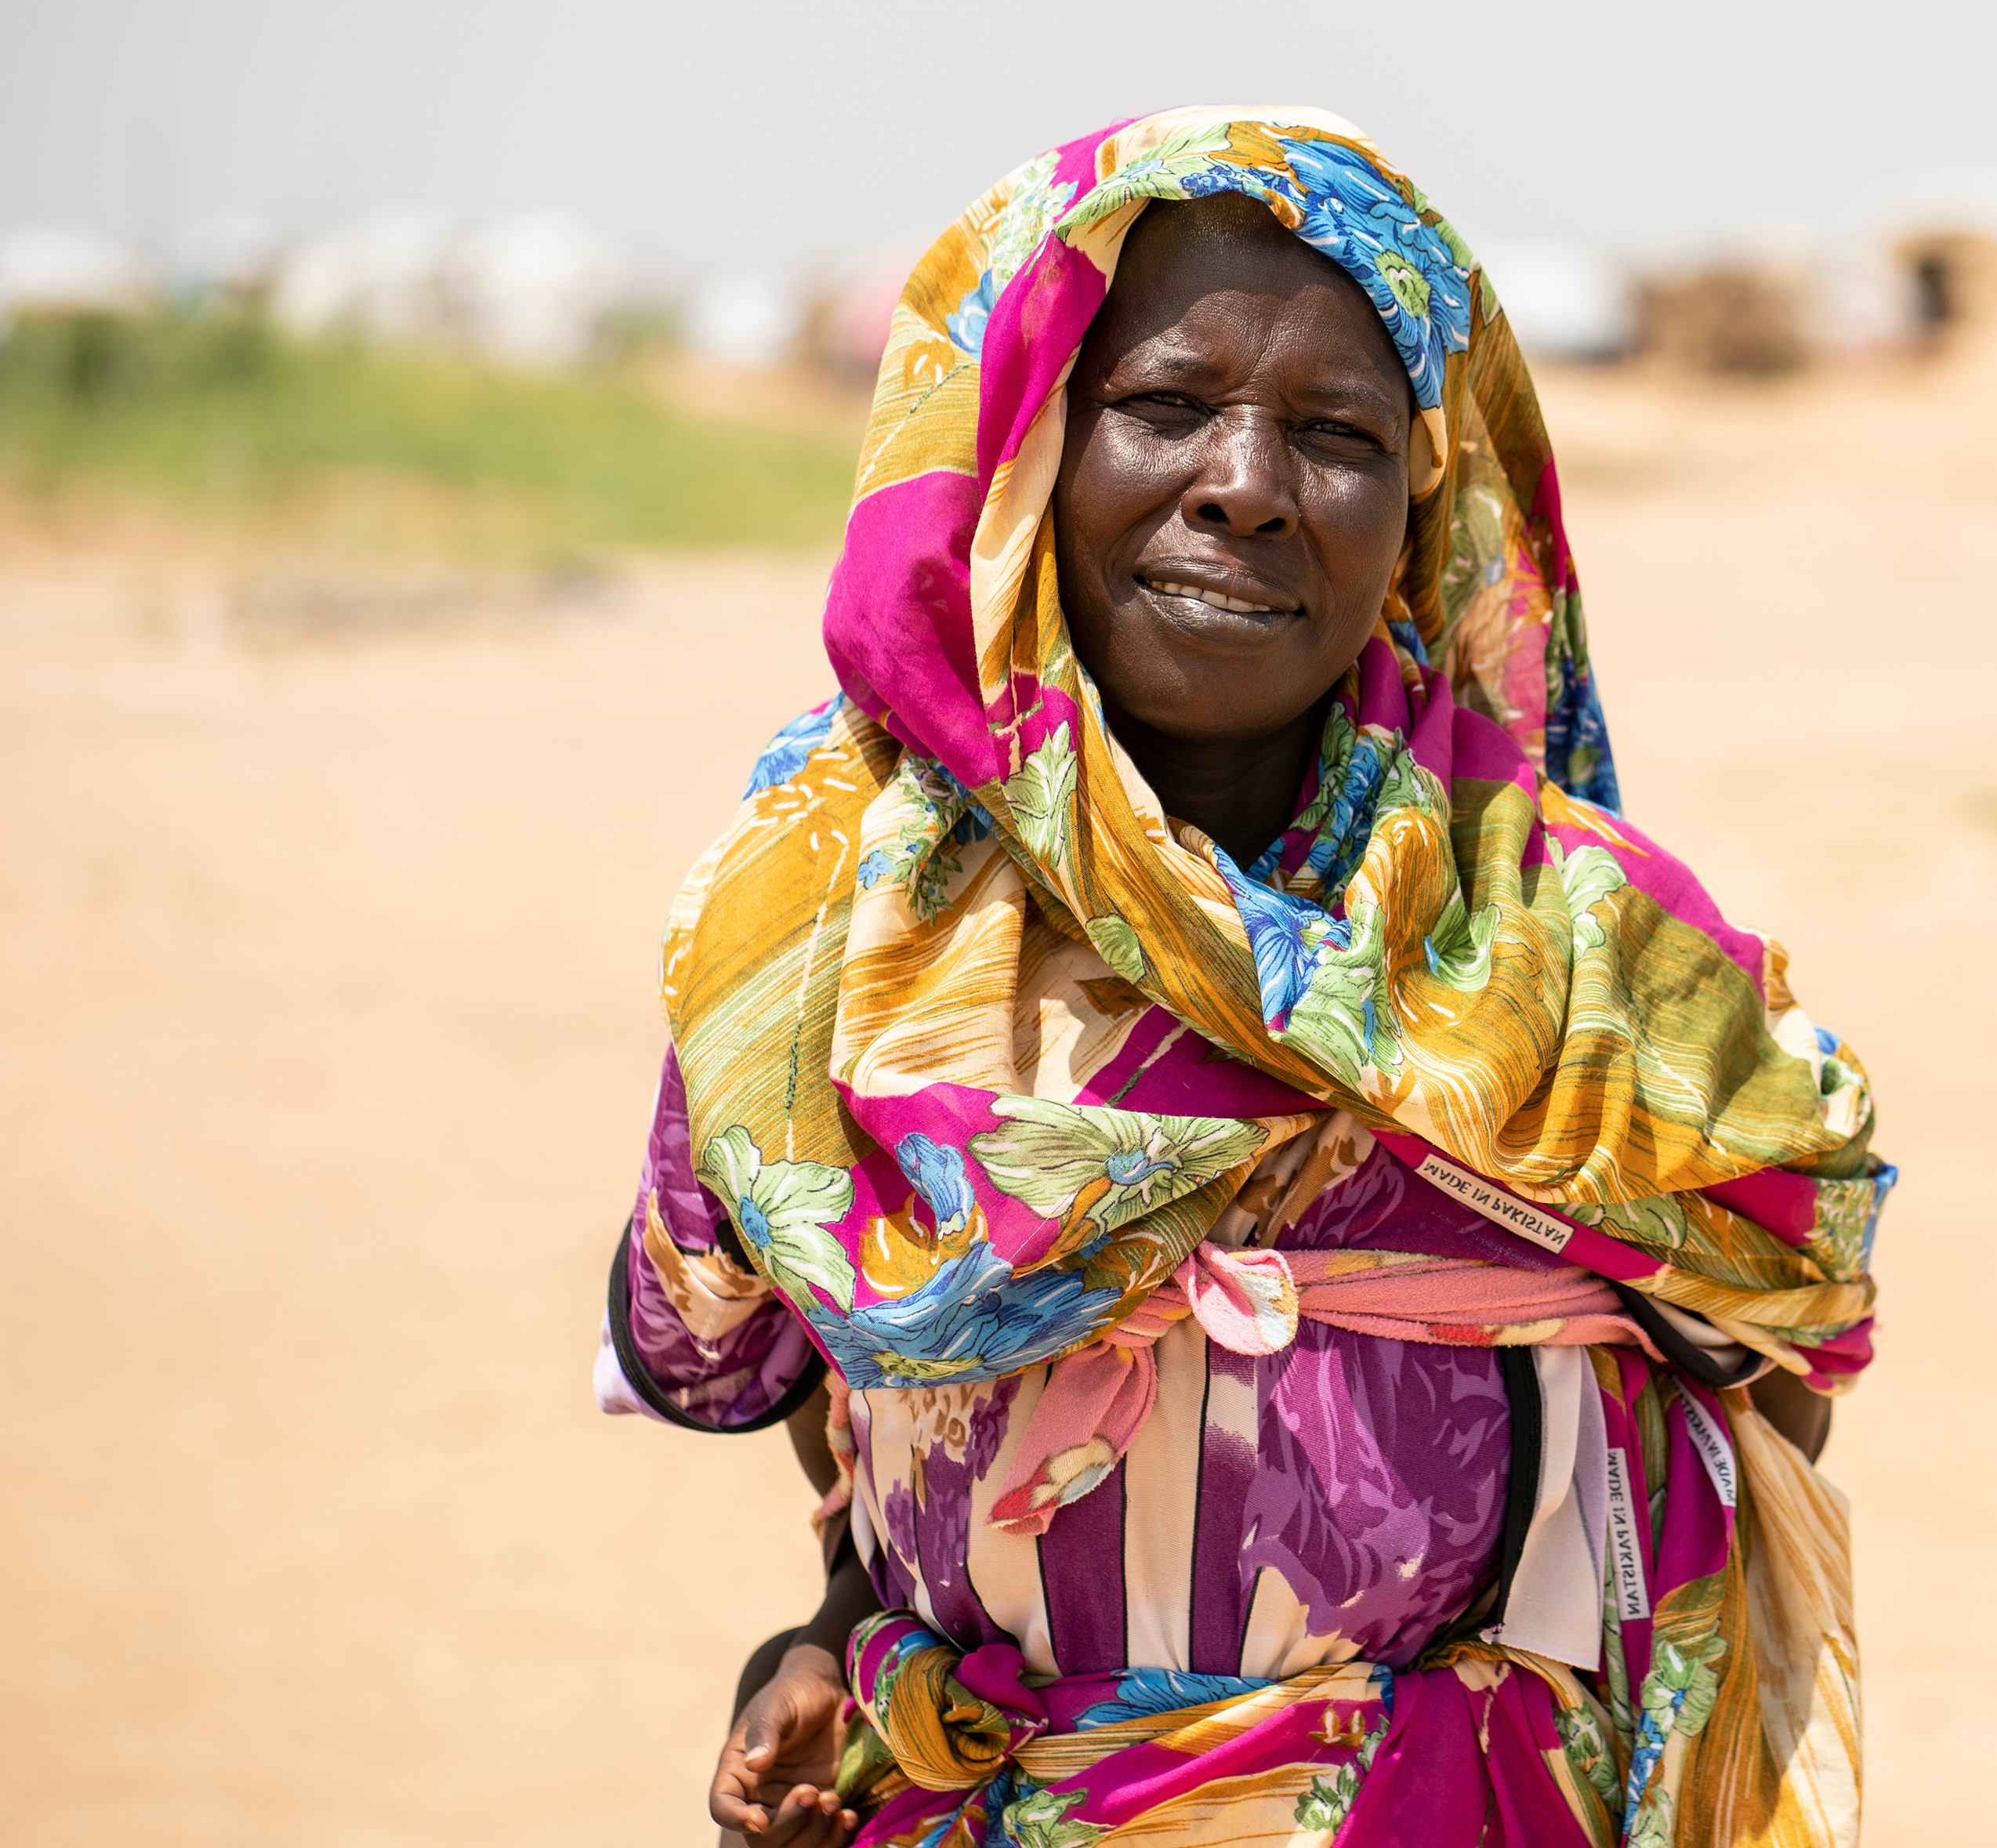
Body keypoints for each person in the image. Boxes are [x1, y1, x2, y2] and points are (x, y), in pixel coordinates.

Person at [596, 106, 1893, 1848]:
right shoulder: (825, 926)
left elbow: (1773, 1363)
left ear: (1423, 500)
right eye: (1162, 406)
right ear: (1017, 445)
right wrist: (835, 1623)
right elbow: (808, 1366)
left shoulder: (1582, 957)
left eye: (1339, 433)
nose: (1247, 483)